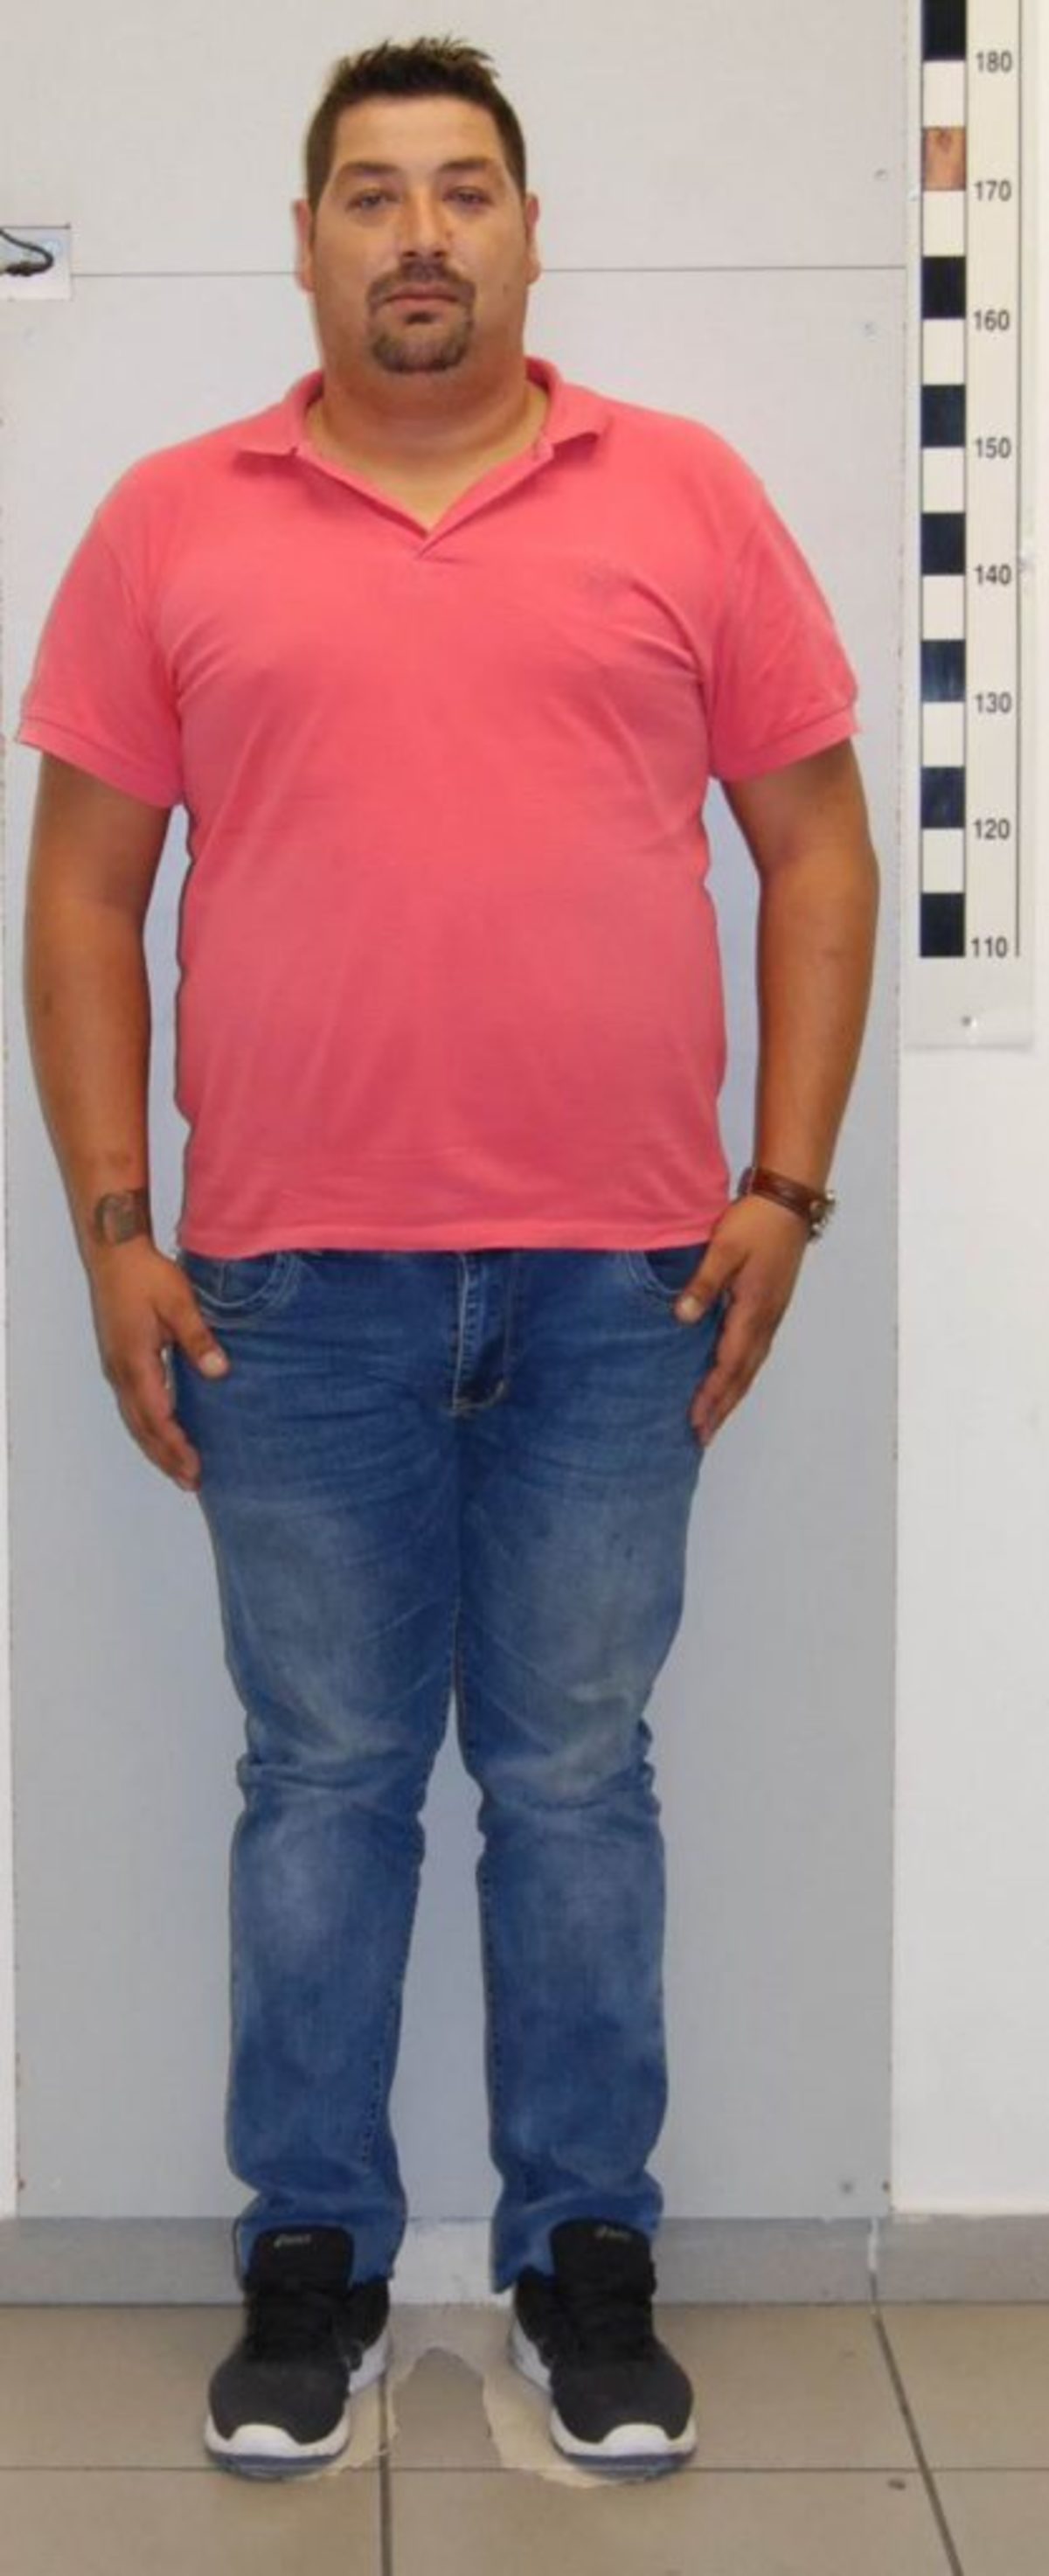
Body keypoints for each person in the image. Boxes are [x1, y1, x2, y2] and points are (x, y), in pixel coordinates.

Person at [17, 34, 879, 2487]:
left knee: (580, 1778)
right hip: (291, 1290)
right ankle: (309, 2259)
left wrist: (787, 1187)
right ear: (306, 241)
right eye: (375, 192)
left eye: (465, 190)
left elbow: (820, 847)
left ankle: (581, 2260)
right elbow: (81, 894)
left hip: (625, 1280)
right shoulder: (173, 520)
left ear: (526, 230)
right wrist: (115, 1225)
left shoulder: (683, 497)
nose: (422, 233)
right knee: (320, 1780)